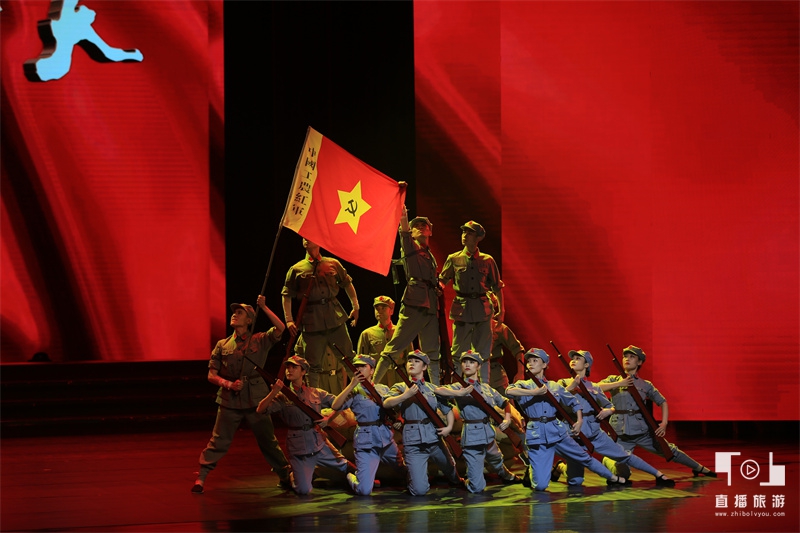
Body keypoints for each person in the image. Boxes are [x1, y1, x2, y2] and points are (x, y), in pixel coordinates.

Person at [193, 297, 291, 494]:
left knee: (268, 440)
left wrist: (264, 307)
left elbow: (281, 328)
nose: (234, 315)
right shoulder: (223, 344)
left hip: (256, 398)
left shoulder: (259, 340)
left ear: (249, 320)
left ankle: (285, 475)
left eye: (240, 313)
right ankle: (201, 477)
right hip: (230, 398)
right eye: (234, 312)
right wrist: (228, 384)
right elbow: (211, 375)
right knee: (218, 440)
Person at [506, 348, 630, 491]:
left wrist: (579, 421)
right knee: (540, 486)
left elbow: (574, 402)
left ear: (544, 364)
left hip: (557, 431)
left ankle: (613, 478)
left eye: (535, 360)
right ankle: (533, 469)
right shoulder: (523, 385)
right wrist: (534, 392)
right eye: (528, 361)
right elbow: (509, 391)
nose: (530, 363)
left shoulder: (554, 386)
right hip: (537, 433)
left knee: (584, 457)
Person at [551, 350, 675, 487]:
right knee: (575, 481)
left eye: (578, 358)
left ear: (586, 365)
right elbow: (555, 400)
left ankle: (658, 474)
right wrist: (572, 386)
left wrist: (608, 411)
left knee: (624, 455)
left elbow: (610, 406)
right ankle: (561, 467)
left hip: (594, 432)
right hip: (573, 433)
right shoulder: (562, 383)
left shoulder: (594, 386)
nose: (573, 360)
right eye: (572, 358)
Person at [598, 345, 717, 478]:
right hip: (620, 433)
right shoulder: (613, 380)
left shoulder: (645, 384)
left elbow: (662, 402)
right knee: (623, 473)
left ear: (639, 362)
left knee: (671, 451)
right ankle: (608, 460)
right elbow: (596, 388)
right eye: (625, 356)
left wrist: (664, 423)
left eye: (632, 357)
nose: (627, 359)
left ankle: (699, 468)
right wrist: (619, 384)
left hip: (642, 431)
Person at [257, 355, 352, 495]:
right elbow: (260, 409)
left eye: (294, 367)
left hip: (318, 442)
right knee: (303, 490)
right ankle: (291, 474)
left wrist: (329, 419)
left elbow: (340, 403)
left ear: (303, 371)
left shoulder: (316, 393)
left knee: (346, 465)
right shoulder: (282, 397)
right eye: (288, 367)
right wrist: (273, 392)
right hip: (299, 447)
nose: (289, 370)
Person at [435, 350, 520, 492]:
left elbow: (504, 402)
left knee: (497, 459)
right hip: (472, 437)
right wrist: (459, 393)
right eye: (464, 362)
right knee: (477, 487)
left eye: (471, 362)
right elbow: (438, 390)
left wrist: (507, 418)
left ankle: (506, 475)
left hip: (488, 433)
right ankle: (468, 481)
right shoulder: (458, 386)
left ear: (479, 366)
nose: (467, 364)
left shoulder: (486, 388)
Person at [375, 207, 442, 384]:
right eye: (416, 225)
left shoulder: (429, 254)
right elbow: (404, 235)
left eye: (424, 225)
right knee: (395, 347)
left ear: (430, 231)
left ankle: (436, 388)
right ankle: (372, 384)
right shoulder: (411, 247)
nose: (420, 227)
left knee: (433, 351)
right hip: (415, 302)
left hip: (430, 305)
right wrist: (403, 218)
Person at [383, 350, 462, 495]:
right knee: (419, 490)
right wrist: (405, 395)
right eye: (409, 361)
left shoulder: (432, 388)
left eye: (416, 361)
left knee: (451, 469)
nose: (412, 363)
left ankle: (456, 480)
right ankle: (413, 479)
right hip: (413, 442)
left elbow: (447, 409)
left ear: (425, 367)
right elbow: (387, 403)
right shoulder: (400, 387)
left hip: (434, 438)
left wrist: (449, 427)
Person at [282, 238, 359, 388]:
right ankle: (313, 398)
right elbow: (286, 295)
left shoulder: (332, 264)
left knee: (348, 358)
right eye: (304, 237)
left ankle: (363, 392)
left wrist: (355, 306)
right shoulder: (296, 269)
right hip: (312, 322)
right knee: (312, 366)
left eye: (310, 236)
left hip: (334, 318)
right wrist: (289, 319)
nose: (306, 239)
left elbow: (347, 283)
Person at [331, 355, 406, 495]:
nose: (359, 369)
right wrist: (351, 385)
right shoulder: (353, 391)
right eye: (356, 367)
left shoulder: (383, 389)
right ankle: (351, 476)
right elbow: (335, 405)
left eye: (363, 366)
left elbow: (397, 406)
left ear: (372, 370)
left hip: (385, 439)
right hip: (366, 442)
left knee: (405, 472)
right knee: (364, 490)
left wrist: (399, 419)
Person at [439, 221, 503, 383]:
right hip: (462, 308)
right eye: (464, 232)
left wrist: (502, 310)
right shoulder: (454, 258)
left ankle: (484, 387)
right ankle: (456, 385)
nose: (465, 236)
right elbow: (442, 281)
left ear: (478, 237)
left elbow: (497, 286)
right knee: (458, 351)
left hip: (483, 309)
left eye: (470, 233)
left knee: (483, 352)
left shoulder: (487, 260)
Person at [487, 292, 525, 393]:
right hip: (475, 376)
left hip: (496, 377)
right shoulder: (470, 328)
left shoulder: (499, 328)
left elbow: (517, 349)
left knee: (507, 402)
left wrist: (520, 373)